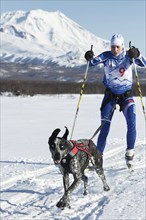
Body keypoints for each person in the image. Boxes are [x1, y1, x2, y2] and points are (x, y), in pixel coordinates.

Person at [84, 33, 146, 168]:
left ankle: (130, 154)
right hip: (110, 97)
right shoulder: (107, 56)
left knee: (132, 122)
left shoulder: (128, 56)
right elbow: (93, 62)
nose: (115, 50)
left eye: (117, 47)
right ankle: (98, 158)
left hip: (126, 96)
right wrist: (89, 56)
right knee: (105, 127)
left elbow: (143, 63)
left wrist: (138, 54)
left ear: (122, 46)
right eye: (113, 47)